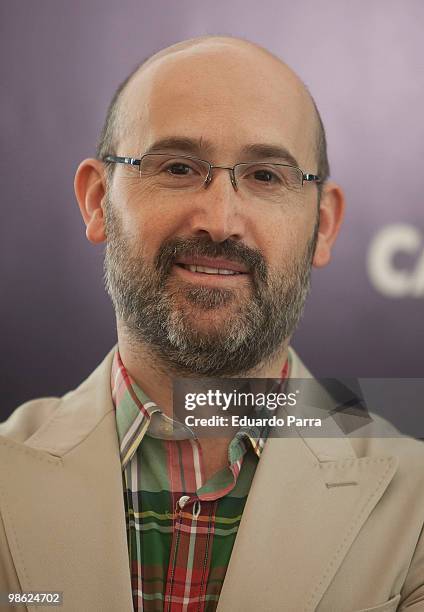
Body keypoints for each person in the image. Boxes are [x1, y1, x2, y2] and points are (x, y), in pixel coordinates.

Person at [0, 35, 423, 612]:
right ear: (98, 200)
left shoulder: (416, 502)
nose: (220, 220)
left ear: (323, 226)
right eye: (177, 167)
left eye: (266, 176)